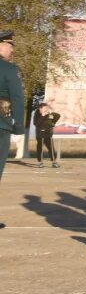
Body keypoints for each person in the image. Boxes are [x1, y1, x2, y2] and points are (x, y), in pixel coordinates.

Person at [0, 30, 26, 228]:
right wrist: (18, 127)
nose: (12, 50)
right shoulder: (9, 69)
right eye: (10, 45)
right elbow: (17, 97)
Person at [33, 102, 61, 168]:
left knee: (51, 149)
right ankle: (40, 162)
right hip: (40, 135)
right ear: (40, 109)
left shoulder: (49, 115)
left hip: (48, 134)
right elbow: (36, 123)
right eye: (44, 108)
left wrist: (53, 121)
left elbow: (58, 116)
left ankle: (54, 162)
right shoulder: (37, 115)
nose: (46, 109)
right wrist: (42, 116)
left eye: (46, 108)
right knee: (40, 149)